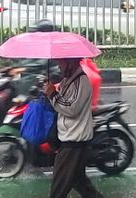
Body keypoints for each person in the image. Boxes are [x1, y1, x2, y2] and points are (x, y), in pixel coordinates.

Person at [44, 58, 104, 198]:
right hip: (70, 138)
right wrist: (51, 93)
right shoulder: (68, 80)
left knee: (58, 190)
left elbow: (71, 109)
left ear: (70, 62)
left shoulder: (80, 81)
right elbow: (62, 102)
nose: (59, 67)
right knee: (81, 183)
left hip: (73, 142)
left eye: (61, 63)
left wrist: (53, 94)